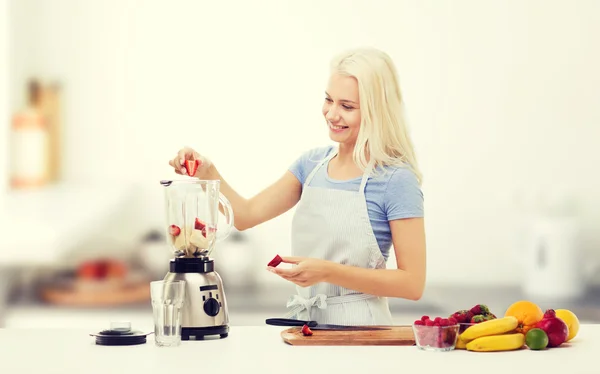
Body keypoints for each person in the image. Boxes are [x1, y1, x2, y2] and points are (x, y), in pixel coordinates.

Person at [168, 47, 426, 326]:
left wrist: (327, 272)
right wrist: (207, 171)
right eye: (329, 100)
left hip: (362, 331)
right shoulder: (311, 165)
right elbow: (245, 215)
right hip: (305, 326)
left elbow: (412, 284)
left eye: (347, 106)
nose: (332, 113)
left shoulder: (395, 179)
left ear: (378, 111)